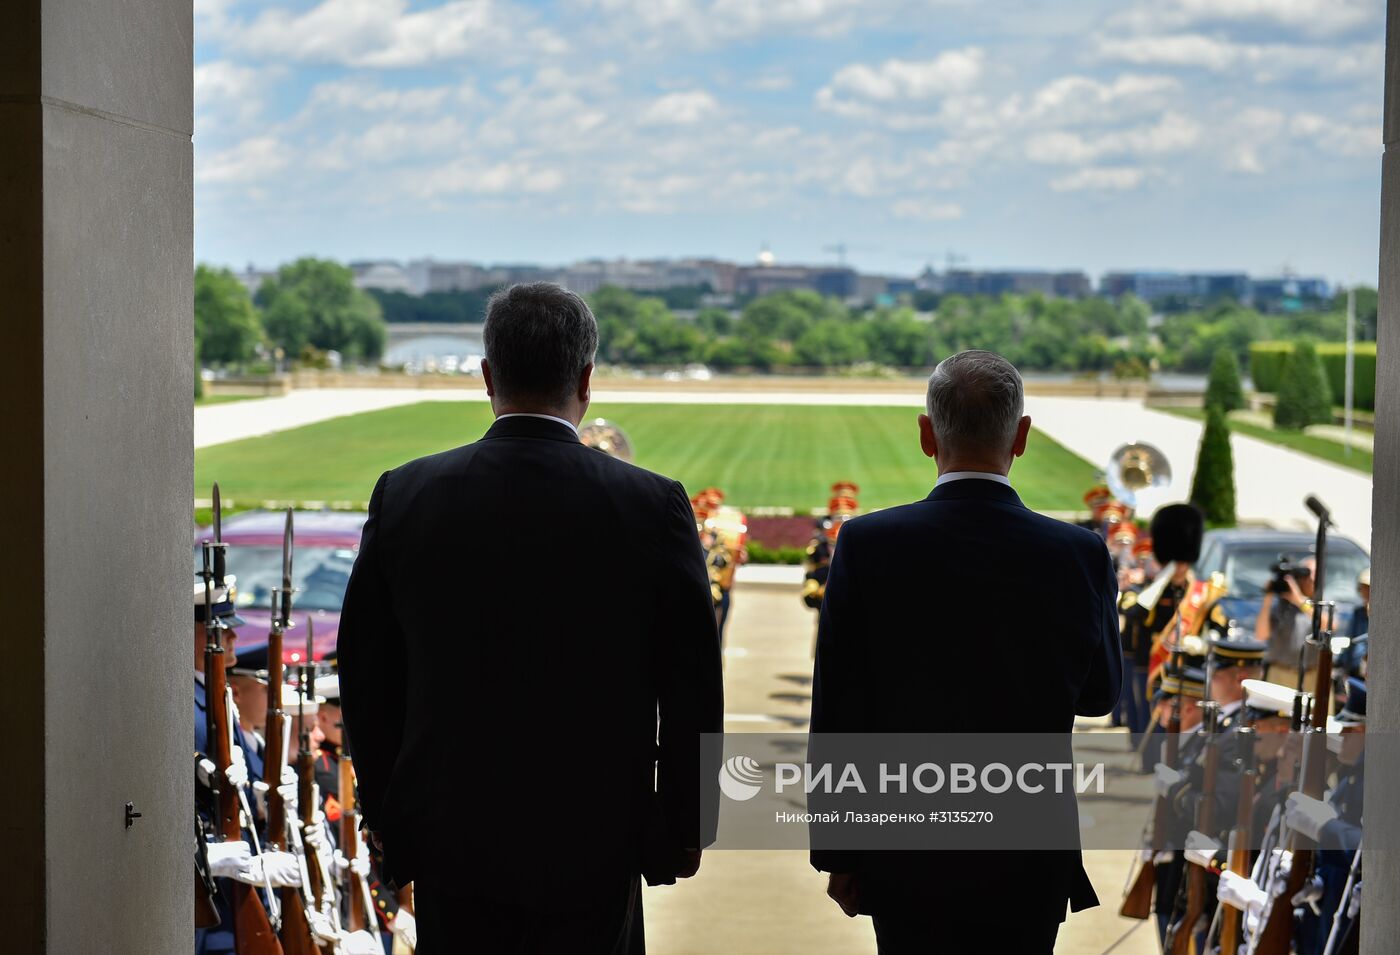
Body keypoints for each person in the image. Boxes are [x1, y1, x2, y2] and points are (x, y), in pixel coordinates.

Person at [337, 283, 724, 953]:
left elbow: (369, 678)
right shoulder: (649, 504)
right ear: (586, 380)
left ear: (488, 376)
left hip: (452, 841)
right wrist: (685, 830)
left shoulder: (407, 495)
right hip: (594, 839)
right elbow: (692, 685)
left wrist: (391, 822)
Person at [809, 350, 1121, 954]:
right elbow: (1100, 694)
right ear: (1022, 436)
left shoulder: (868, 544)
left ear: (927, 435)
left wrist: (839, 850)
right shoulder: (1078, 553)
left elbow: (839, 709)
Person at [1255, 555, 1317, 691]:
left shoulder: (1320, 604)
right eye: (1306, 575)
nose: (1310, 579)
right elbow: (1261, 635)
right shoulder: (1280, 606)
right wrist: (1267, 600)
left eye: (1313, 575)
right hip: (1279, 675)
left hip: (1312, 677)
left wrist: (1300, 601)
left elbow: (1328, 625)